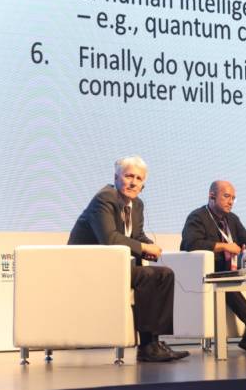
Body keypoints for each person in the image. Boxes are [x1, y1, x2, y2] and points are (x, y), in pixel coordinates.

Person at [68, 155, 188, 362]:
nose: (133, 182)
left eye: (139, 179)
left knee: (164, 274)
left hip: (114, 266)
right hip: (89, 267)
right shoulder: (105, 199)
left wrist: (151, 246)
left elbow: (137, 236)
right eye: (128, 176)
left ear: (143, 185)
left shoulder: (137, 204)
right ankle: (148, 347)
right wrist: (143, 248)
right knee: (150, 276)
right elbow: (110, 239)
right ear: (116, 178)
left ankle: (153, 343)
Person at [180, 180, 246, 352]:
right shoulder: (197, 217)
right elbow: (191, 243)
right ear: (212, 196)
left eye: (233, 198)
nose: (231, 202)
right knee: (226, 282)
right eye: (227, 196)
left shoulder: (232, 219)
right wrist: (224, 246)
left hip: (232, 269)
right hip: (210, 272)